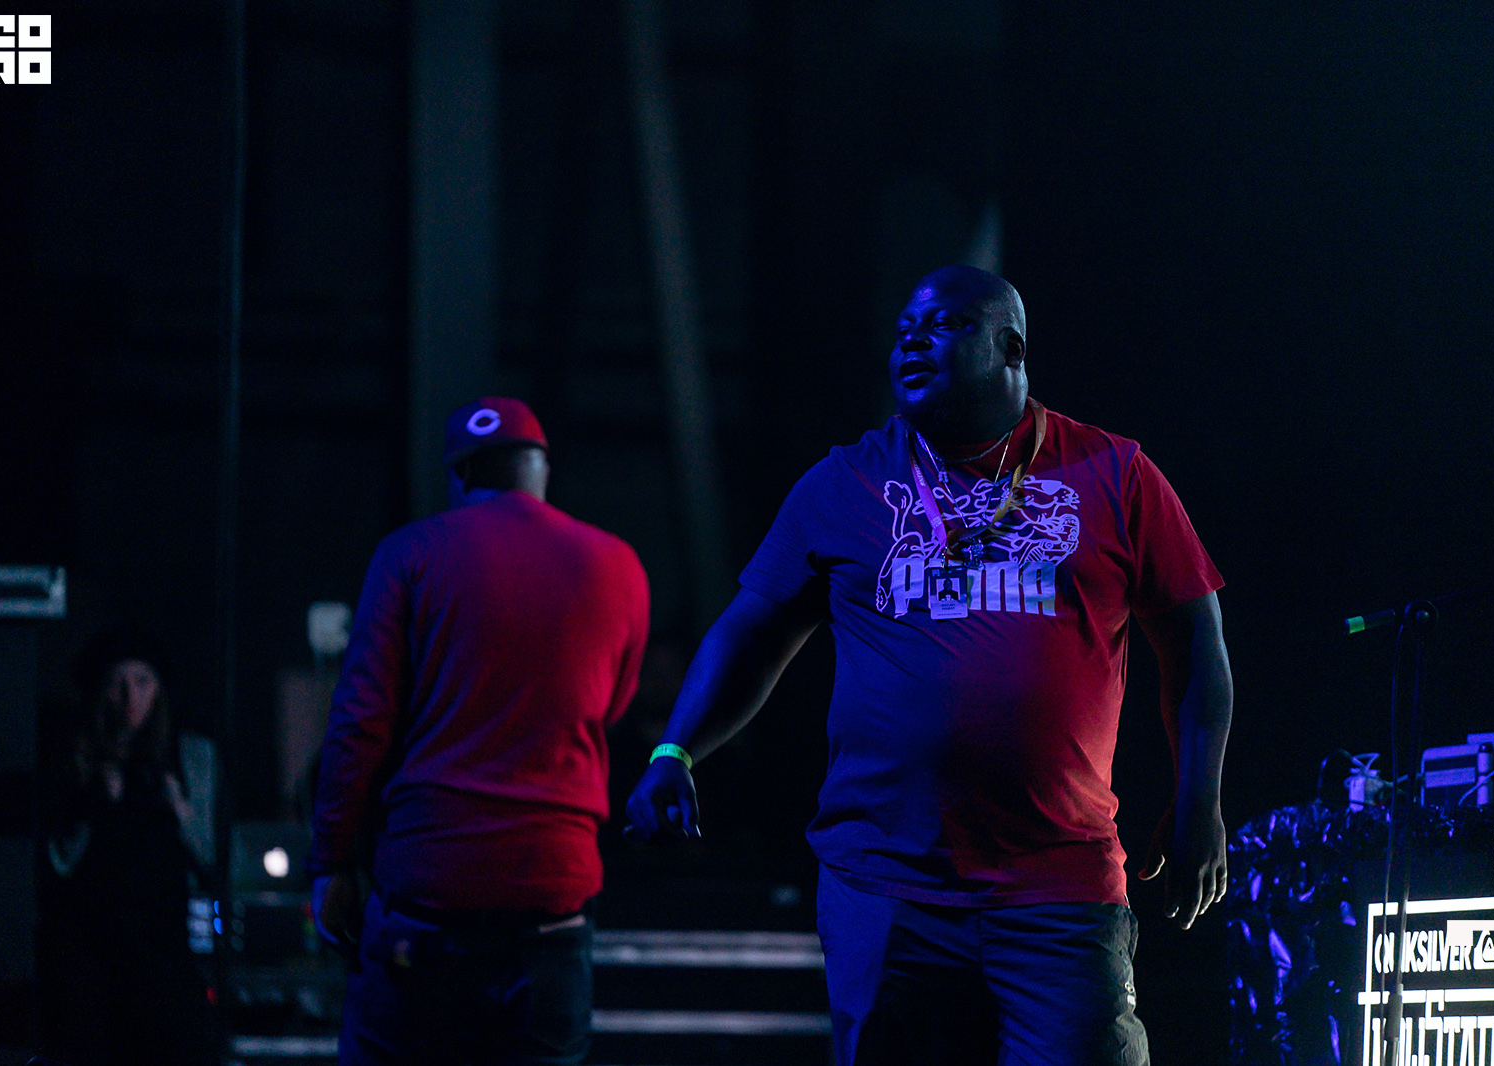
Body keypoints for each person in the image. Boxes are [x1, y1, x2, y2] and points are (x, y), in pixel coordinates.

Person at [626, 266, 1232, 1065]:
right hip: (886, 889)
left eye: (945, 324)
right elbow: (749, 634)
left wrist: (1199, 802)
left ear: (1011, 348)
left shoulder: (1116, 473)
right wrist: (674, 750)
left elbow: (1196, 650)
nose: (912, 339)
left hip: (1058, 889)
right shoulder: (846, 481)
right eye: (905, 328)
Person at [310, 397, 651, 1066]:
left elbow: (360, 723)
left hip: (429, 894)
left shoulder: (409, 554)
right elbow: (611, 708)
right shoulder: (619, 565)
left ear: (461, 474)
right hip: (552, 900)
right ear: (541, 468)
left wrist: (331, 862)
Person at [38, 630, 219, 1066]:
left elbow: (211, 857)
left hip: (163, 947)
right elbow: (56, 862)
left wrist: (182, 811)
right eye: (117, 685)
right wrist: (92, 805)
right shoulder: (76, 753)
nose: (130, 698)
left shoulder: (191, 754)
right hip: (92, 952)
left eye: (142, 682)